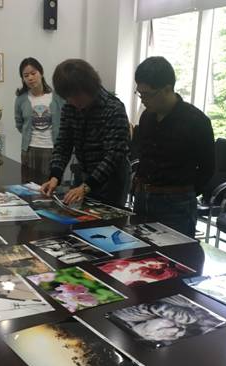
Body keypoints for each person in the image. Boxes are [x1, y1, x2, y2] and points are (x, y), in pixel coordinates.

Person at [133, 56, 215, 237]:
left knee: (175, 252)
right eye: (140, 94)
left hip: (176, 205)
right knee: (140, 250)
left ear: (167, 89)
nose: (143, 100)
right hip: (143, 198)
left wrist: (183, 193)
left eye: (147, 95)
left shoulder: (196, 121)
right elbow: (144, 155)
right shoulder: (147, 117)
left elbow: (208, 168)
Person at [40, 59, 131, 208]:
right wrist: (55, 176)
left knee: (107, 218)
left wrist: (86, 186)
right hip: (84, 175)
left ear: (89, 87)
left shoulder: (113, 108)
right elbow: (63, 143)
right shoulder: (70, 107)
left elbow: (114, 155)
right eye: (68, 97)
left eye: (76, 96)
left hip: (111, 180)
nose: (73, 102)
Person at [14, 57, 64, 184]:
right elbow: (19, 123)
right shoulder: (21, 99)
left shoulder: (56, 97)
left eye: (33, 73)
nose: (30, 78)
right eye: (26, 75)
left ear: (41, 73)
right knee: (28, 187)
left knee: (51, 187)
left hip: (52, 149)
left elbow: (64, 121)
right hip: (29, 150)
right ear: (23, 79)